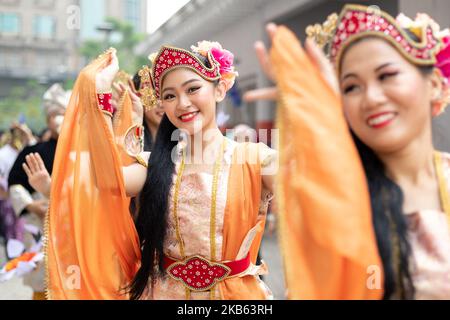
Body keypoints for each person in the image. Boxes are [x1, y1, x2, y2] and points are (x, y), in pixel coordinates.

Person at [246, 4, 450, 299]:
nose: (372, 98)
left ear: (432, 84)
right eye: (351, 87)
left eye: (386, 75)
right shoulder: (334, 195)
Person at [45, 42, 277, 300]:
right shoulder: (155, 163)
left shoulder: (256, 159)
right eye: (169, 96)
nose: (183, 103)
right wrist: (100, 96)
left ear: (220, 89)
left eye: (193, 89)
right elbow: (109, 181)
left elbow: (315, 191)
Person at [7, 83, 70, 300]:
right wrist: (32, 205)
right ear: (47, 120)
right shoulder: (34, 151)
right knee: (43, 279)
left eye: (62, 114)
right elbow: (14, 182)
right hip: (39, 223)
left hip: (72, 224)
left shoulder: (82, 151)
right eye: (54, 115)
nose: (58, 119)